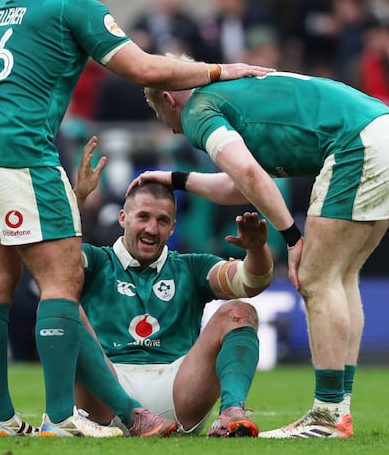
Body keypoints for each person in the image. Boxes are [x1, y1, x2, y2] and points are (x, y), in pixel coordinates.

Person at [0, 0, 273, 438]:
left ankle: (1, 419)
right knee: (60, 281)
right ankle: (59, 420)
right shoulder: (70, 4)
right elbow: (142, 69)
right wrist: (219, 70)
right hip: (19, 151)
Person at [135, 70, 389, 439]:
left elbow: (248, 174)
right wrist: (175, 179)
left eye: (167, 121)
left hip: (360, 143)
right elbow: (240, 182)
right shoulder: (236, 96)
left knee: (316, 279)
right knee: (340, 276)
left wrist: (291, 237)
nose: (177, 131)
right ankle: (339, 409)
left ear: (168, 98)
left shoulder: (196, 109)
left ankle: (328, 415)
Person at [71, 136, 273, 437]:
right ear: (123, 218)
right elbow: (52, 263)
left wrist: (257, 250)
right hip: (107, 397)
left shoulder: (190, 267)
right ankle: (129, 413)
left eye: (162, 220)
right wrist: (78, 199)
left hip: (178, 391)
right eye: (143, 217)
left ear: (173, 227)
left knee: (240, 311)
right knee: (61, 306)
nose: (152, 228)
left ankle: (232, 412)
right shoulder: (98, 261)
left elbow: (251, 281)